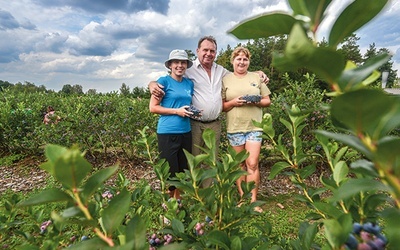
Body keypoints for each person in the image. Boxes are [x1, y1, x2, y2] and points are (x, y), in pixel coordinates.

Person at [149, 36, 269, 187]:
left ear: (216, 53)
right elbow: (169, 79)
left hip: (214, 124)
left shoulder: (221, 71)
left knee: (210, 161)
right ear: (198, 51)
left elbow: (240, 72)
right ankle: (194, 193)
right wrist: (151, 83)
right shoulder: (188, 70)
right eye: (205, 50)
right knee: (193, 160)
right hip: (194, 123)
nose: (208, 53)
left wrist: (257, 72)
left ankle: (207, 195)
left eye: (212, 51)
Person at [222, 46, 271, 212]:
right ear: (233, 61)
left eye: (245, 59)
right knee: (240, 165)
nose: (241, 62)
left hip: (254, 127)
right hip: (235, 127)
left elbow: (267, 101)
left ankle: (253, 200)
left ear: (248, 61)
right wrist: (233, 102)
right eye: (238, 58)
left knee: (252, 163)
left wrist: (255, 101)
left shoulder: (256, 77)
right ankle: (243, 197)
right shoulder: (226, 79)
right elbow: (222, 106)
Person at [149, 49, 195, 200]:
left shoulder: (189, 84)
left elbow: (186, 105)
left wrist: (193, 112)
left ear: (186, 65)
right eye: (176, 62)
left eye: (183, 62)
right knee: (170, 170)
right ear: (170, 65)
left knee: (182, 170)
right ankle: (168, 204)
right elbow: (153, 108)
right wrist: (177, 111)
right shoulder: (163, 82)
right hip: (167, 132)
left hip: (186, 131)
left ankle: (178, 202)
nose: (180, 65)